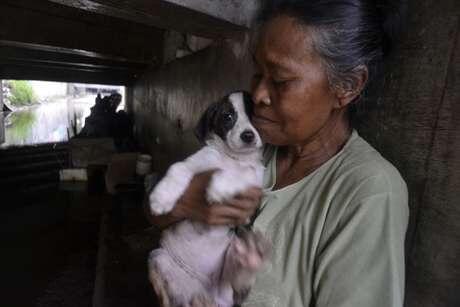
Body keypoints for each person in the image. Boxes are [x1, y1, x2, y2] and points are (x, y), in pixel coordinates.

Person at [146, 1, 409, 306]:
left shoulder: (368, 192)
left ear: (347, 86)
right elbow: (156, 211)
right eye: (257, 72)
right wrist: (185, 202)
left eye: (280, 80)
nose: (257, 94)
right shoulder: (253, 144)